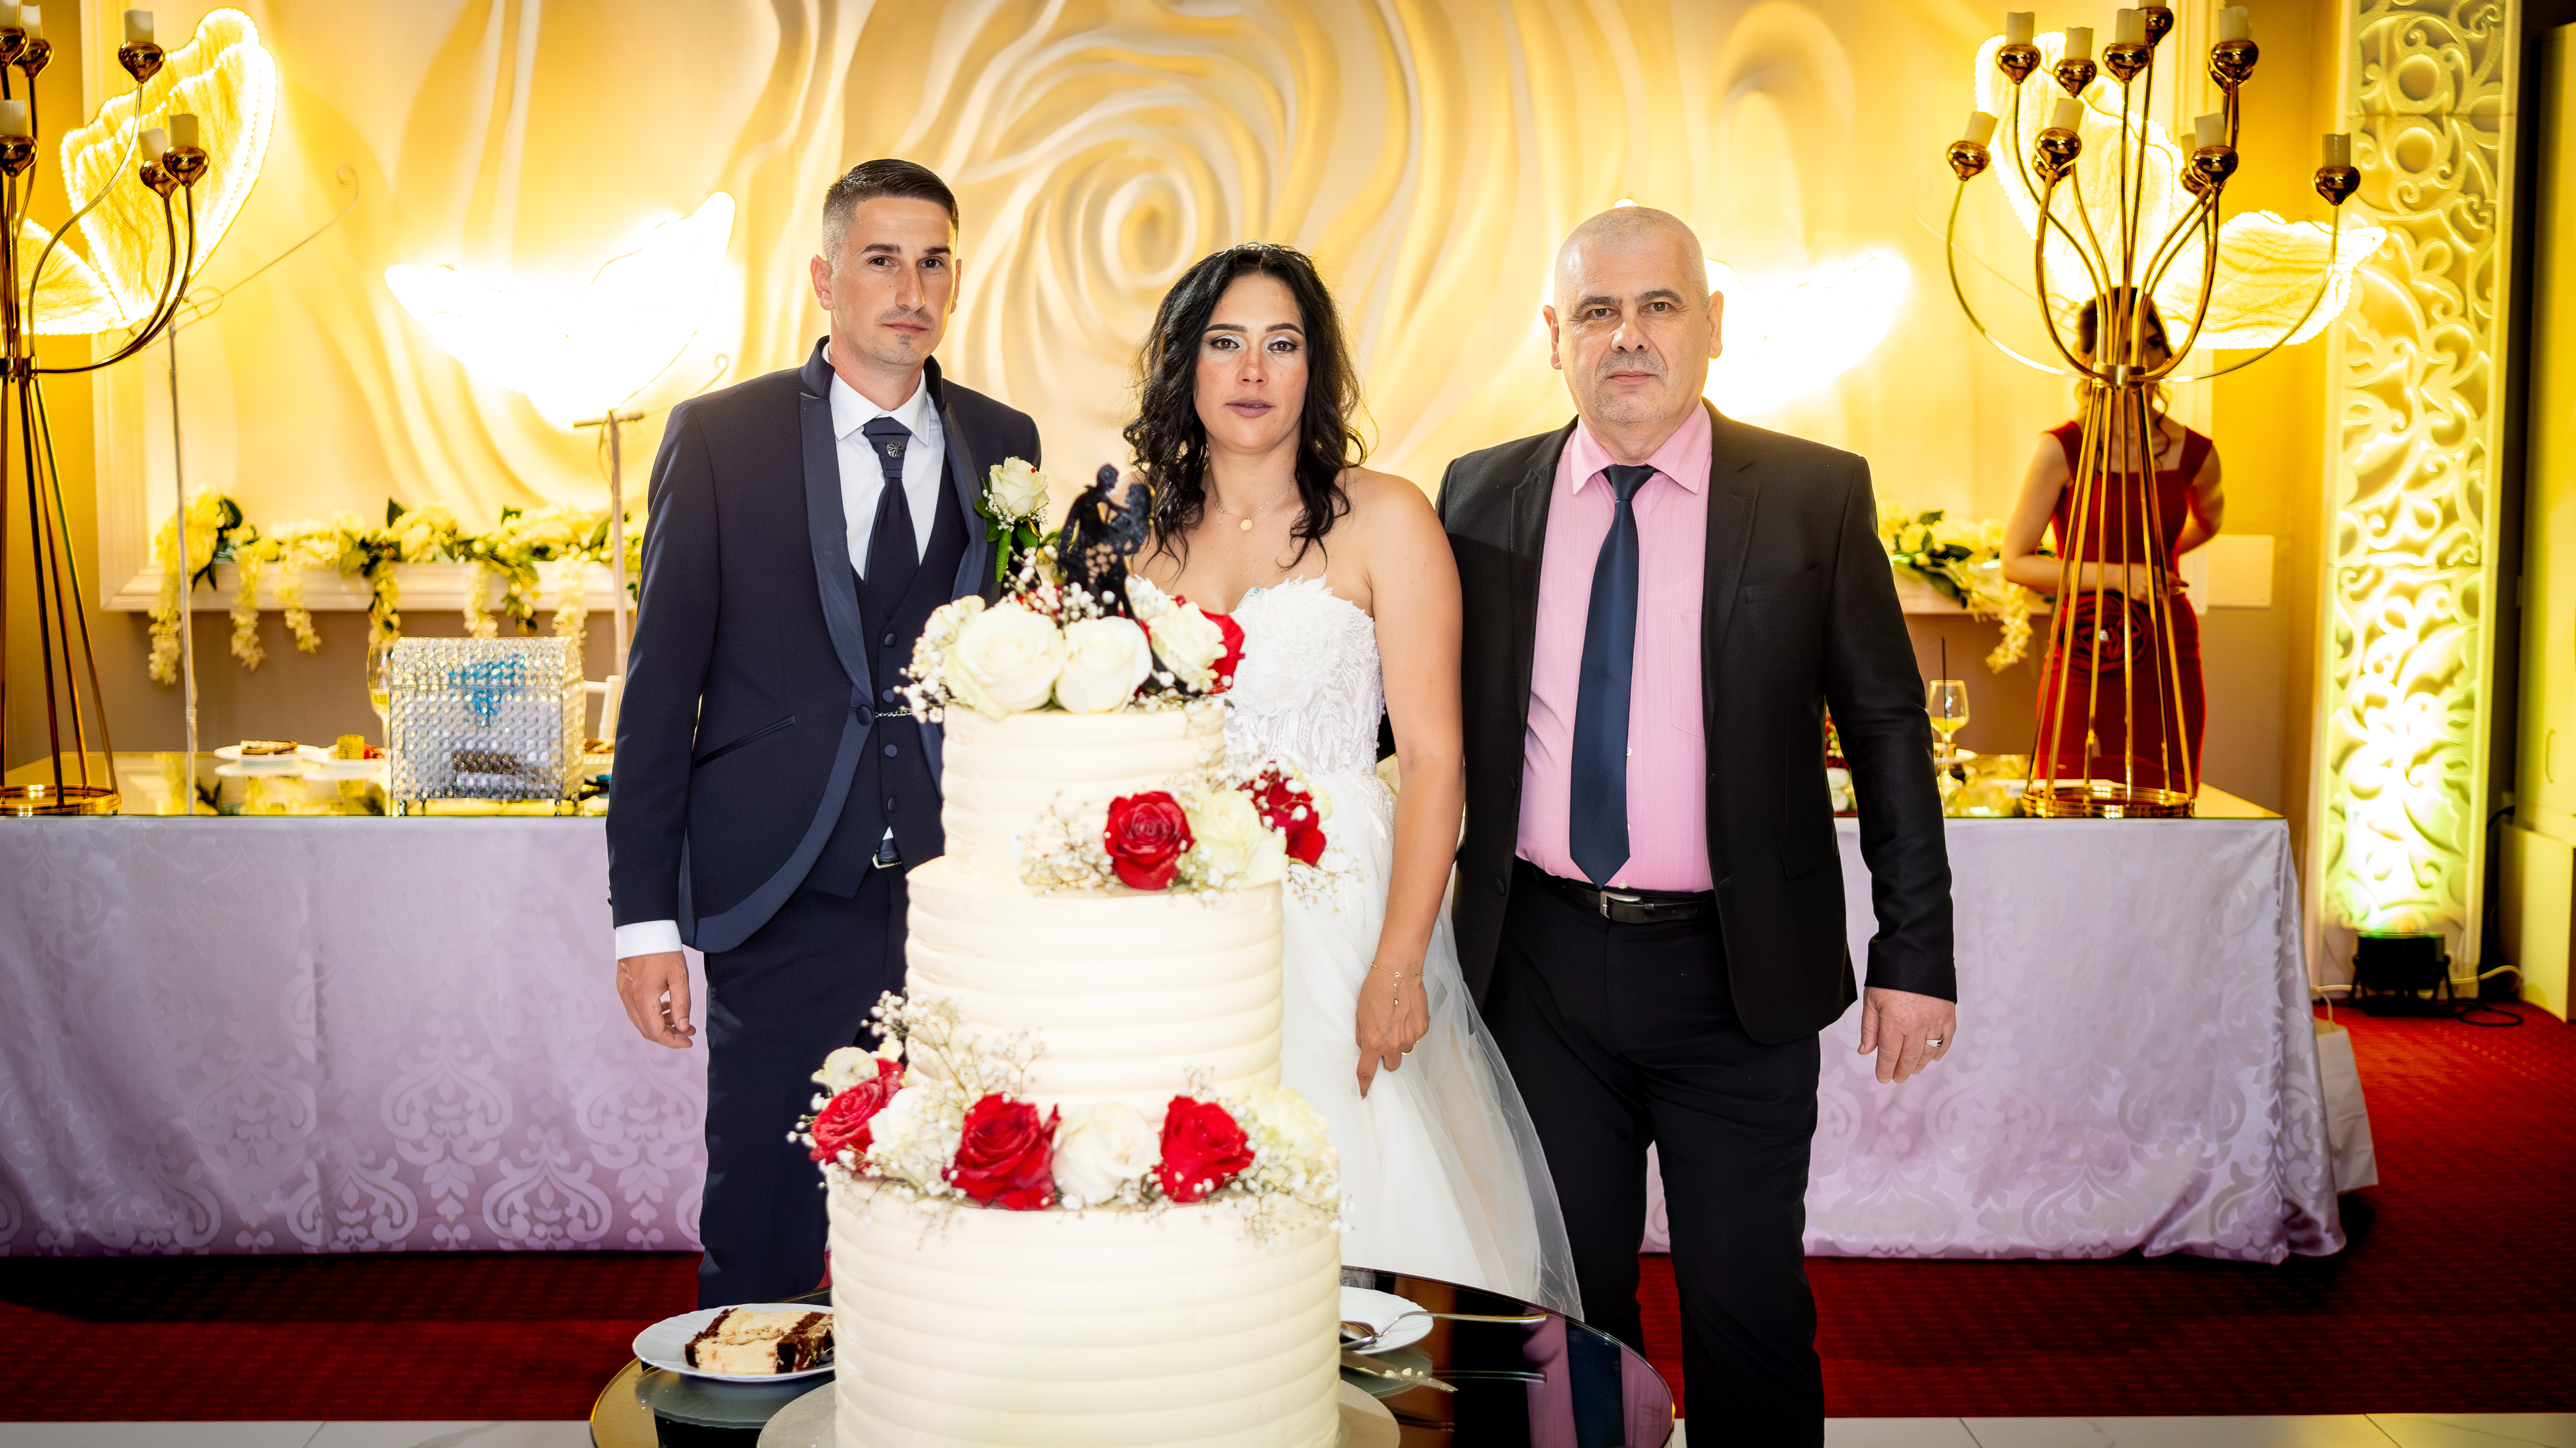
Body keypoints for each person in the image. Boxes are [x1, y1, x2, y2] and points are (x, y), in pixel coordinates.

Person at [1439, 207, 1955, 1444]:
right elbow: (1416, 712)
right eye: (1597, 311)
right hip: (1538, 969)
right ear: (1553, 336)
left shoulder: (1811, 496)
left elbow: (1887, 729)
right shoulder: (1478, 494)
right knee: (1563, 1310)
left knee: (1745, 1304)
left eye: (1658, 305)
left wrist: (1915, 952)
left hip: (1736, 970)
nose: (1627, 336)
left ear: (1711, 325)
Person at [607, 159, 1040, 1308]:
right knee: (765, 1210)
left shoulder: (1006, 443)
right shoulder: (721, 436)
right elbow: (660, 694)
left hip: (959, 896)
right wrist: (644, 920)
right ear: (824, 278)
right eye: (882, 259)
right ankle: (748, 1389)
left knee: (957, 1200)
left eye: (934, 262)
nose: (912, 288)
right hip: (783, 884)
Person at [1126, 241, 1582, 1316]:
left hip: (1337, 904)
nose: (1252, 369)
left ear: (1314, 369)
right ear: (1186, 365)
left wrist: (1399, 959)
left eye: (1281, 344)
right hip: (1176, 912)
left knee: (1348, 1187)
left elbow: (1433, 758)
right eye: (1225, 342)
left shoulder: (1385, 516)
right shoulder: (1138, 534)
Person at [2000, 290, 2223, 796]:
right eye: (2121, 347)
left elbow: (2209, 523)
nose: (2139, 361)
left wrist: (2161, 564)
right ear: (2086, 358)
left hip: (2168, 645)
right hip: (2084, 646)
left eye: (2151, 343)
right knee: (2066, 792)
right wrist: (2125, 576)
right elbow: (2015, 562)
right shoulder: (2061, 448)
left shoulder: (2197, 453)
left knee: (2167, 794)